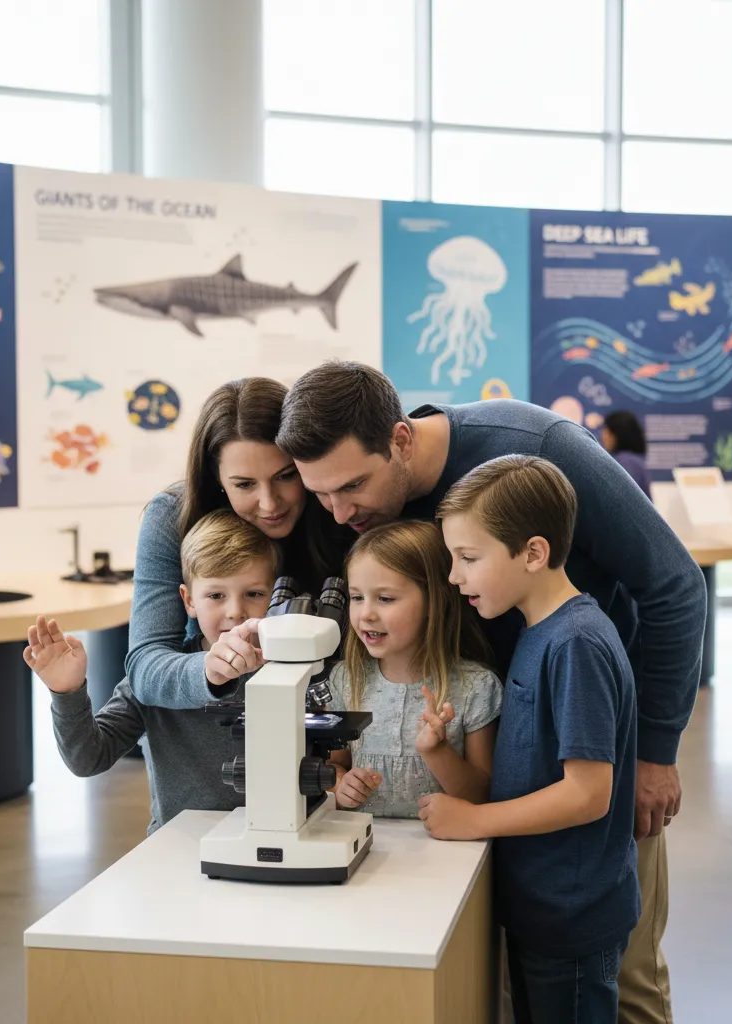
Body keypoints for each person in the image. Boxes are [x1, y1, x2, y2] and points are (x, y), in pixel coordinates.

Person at [277, 360, 706, 1024]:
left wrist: (655, 752)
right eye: (321, 494)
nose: (339, 513)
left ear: (400, 438)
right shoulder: (347, 504)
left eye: (352, 487)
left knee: (623, 978)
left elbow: (675, 584)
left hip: (588, 752)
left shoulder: (536, 450)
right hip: (494, 771)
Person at [426, 455, 639, 1024]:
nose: (453, 576)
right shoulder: (538, 629)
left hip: (569, 919)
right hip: (540, 908)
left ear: (534, 553)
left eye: (468, 558)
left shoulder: (576, 644)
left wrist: (473, 822)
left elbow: (587, 793)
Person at [24, 510, 280, 832]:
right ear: (188, 601)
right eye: (216, 595)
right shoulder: (155, 679)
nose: (235, 612)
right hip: (179, 849)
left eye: (253, 594)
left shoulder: (293, 670)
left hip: (275, 840)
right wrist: (68, 692)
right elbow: (88, 759)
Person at [125, 377, 350, 709]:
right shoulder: (171, 516)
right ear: (216, 477)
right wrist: (210, 668)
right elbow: (145, 667)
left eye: (286, 476)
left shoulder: (339, 511)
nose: (270, 503)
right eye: (244, 484)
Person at [325, 520, 501, 817]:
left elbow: (481, 797)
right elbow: (333, 764)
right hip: (363, 847)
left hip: (446, 851)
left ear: (434, 600)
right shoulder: (346, 680)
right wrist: (341, 786)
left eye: (385, 598)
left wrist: (437, 751)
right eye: (357, 597)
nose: (366, 613)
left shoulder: (477, 688)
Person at [602, 411, 652, 501]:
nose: (604, 437)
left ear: (616, 435)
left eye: (607, 432)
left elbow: (621, 498)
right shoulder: (635, 461)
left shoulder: (625, 462)